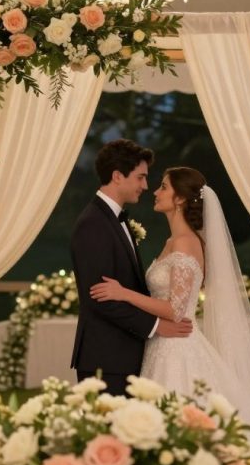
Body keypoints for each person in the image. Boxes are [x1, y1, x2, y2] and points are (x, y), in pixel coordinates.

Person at [90, 167, 250, 465]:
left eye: (163, 187)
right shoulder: (172, 242)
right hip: (162, 342)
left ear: (180, 199)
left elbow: (175, 310)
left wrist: (123, 294)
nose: (155, 191)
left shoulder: (186, 243)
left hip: (178, 348)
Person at [70, 140, 193, 397]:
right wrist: (156, 326)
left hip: (125, 355)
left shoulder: (113, 219)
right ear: (117, 176)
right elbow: (100, 298)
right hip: (107, 359)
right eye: (140, 177)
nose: (145, 186)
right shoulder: (93, 224)